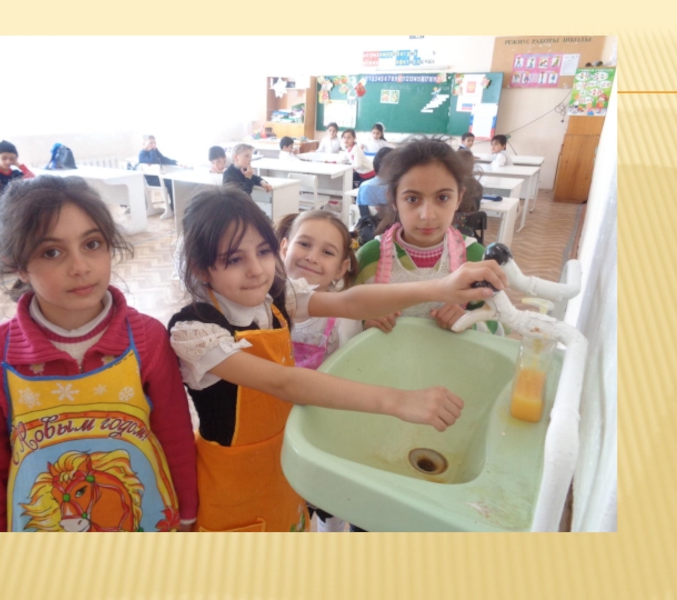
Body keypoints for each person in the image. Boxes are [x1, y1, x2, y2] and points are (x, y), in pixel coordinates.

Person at [167, 186, 507, 532]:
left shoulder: (274, 298)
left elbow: (350, 302)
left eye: (263, 251)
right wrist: (398, 401)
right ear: (200, 267)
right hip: (233, 483)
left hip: (284, 461)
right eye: (234, 259)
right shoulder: (195, 331)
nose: (256, 270)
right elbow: (285, 383)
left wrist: (440, 287)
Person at [0, 175, 198, 532]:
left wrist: (188, 515)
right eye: (51, 252)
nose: (80, 267)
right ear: (19, 265)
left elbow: (175, 437)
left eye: (92, 244)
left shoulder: (147, 339)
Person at [275, 210, 364, 533]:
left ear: (341, 268)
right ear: (284, 247)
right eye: (304, 244)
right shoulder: (261, 305)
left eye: (327, 252)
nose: (312, 257)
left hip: (321, 432)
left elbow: (349, 377)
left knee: (327, 504)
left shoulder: (343, 319)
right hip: (271, 426)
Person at [356, 137, 498, 335]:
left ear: (459, 198)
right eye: (412, 199)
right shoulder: (369, 257)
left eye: (443, 198)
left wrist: (470, 321)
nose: (427, 215)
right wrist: (365, 322)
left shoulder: (476, 260)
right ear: (393, 199)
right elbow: (339, 323)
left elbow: (499, 326)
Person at [138, 135, 178, 219]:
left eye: (154, 143)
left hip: (159, 178)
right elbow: (153, 161)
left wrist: (175, 162)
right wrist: (152, 151)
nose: (153, 145)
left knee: (173, 181)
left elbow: (163, 159)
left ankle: (174, 205)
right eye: (150, 143)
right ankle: (173, 207)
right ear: (144, 144)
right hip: (152, 181)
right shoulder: (142, 154)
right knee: (172, 183)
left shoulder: (154, 151)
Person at [356, 147, 394, 218]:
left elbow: (360, 210)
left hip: (367, 223)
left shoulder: (364, 186)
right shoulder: (397, 187)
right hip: (393, 223)